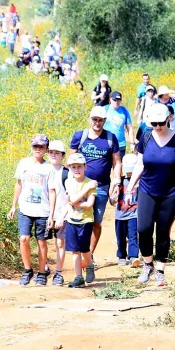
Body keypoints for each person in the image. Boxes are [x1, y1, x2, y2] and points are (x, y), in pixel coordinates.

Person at [128, 104, 175, 286]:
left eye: (160, 123)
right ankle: (147, 264)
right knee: (143, 229)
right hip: (147, 189)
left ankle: (160, 270)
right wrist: (130, 187)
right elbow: (140, 164)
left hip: (172, 193)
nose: (157, 127)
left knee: (163, 232)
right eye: (154, 123)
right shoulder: (147, 137)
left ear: (168, 120)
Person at [69, 106, 122, 278]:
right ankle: (80, 253)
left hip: (101, 187)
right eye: (94, 119)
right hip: (79, 186)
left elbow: (117, 162)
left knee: (96, 222)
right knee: (79, 220)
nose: (97, 123)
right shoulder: (80, 136)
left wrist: (117, 181)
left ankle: (89, 254)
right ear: (90, 119)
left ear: (104, 121)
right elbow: (70, 161)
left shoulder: (110, 138)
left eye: (100, 120)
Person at [8, 134, 57, 286]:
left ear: (46, 150)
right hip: (25, 209)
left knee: (41, 242)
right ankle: (27, 269)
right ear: (31, 147)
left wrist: (52, 215)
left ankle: (42, 272)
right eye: (35, 146)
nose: (38, 149)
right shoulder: (23, 163)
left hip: (43, 211)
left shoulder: (49, 168)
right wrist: (13, 205)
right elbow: (19, 184)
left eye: (41, 147)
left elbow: (52, 192)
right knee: (24, 239)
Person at [48, 140, 80, 286]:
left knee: (60, 243)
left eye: (57, 153)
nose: (54, 155)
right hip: (45, 213)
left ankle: (58, 273)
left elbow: (70, 197)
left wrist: (62, 216)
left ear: (62, 156)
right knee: (42, 243)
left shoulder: (66, 174)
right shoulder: (44, 169)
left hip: (63, 214)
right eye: (51, 152)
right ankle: (44, 269)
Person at [64, 153, 98, 288]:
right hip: (72, 220)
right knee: (74, 250)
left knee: (84, 249)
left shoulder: (91, 183)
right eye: (73, 167)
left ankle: (89, 266)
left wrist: (75, 202)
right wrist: (85, 189)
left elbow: (89, 204)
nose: (76, 170)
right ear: (69, 168)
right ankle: (78, 277)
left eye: (79, 166)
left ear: (85, 166)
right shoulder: (69, 182)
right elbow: (72, 200)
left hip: (86, 220)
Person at [111, 153, 140, 267]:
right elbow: (112, 201)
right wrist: (113, 189)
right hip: (120, 215)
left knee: (133, 235)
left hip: (134, 214)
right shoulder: (120, 182)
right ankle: (122, 256)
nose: (130, 173)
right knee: (120, 237)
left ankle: (133, 257)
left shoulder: (140, 182)